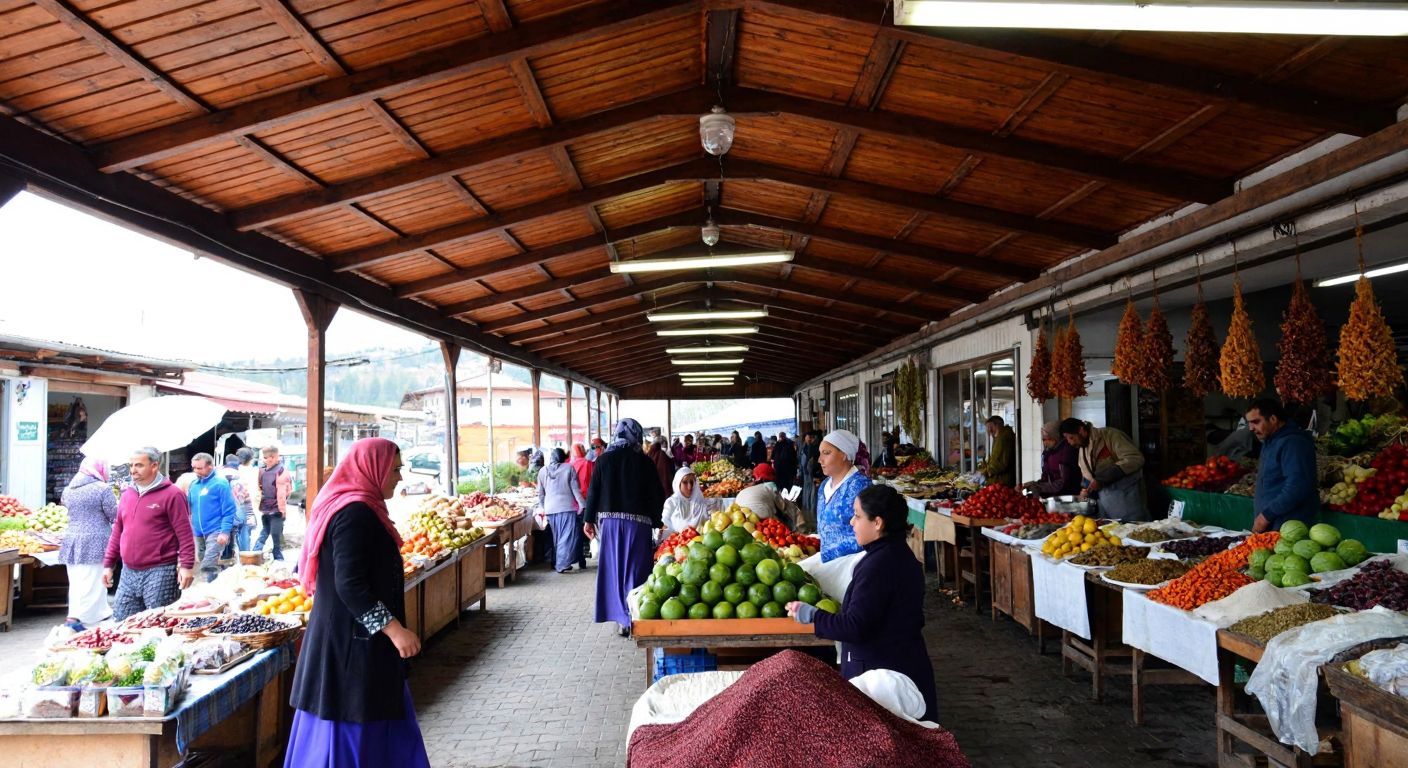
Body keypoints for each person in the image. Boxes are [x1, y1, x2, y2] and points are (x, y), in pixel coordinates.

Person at [286, 438, 430, 768]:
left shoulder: (363, 509)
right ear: (373, 468)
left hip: (359, 645)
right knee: (349, 737)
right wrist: (395, 631)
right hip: (349, 652)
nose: (399, 477)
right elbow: (350, 586)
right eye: (394, 470)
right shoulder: (354, 514)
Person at [786, 485, 938, 723]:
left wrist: (815, 616)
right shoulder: (895, 554)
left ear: (877, 523)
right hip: (899, 664)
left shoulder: (879, 565)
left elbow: (855, 626)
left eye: (857, 516)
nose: (851, 522)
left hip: (884, 678)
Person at [582, 418, 666, 637]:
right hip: (638, 526)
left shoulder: (603, 460)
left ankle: (621, 618)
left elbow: (593, 492)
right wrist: (657, 521)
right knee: (636, 570)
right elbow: (657, 494)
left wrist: (588, 520)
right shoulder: (645, 462)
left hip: (610, 525)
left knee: (615, 570)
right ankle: (634, 616)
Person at [103, 447, 196, 621]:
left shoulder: (173, 494)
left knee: (157, 624)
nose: (133, 470)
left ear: (154, 466)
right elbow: (118, 531)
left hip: (161, 570)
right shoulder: (127, 495)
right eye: (131, 465)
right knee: (123, 623)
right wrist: (108, 564)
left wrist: (186, 566)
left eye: (139, 465)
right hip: (128, 571)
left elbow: (185, 534)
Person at [59, 457, 117, 630]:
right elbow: (113, 514)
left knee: (77, 581)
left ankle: (75, 614)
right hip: (96, 540)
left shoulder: (68, 489)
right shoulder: (102, 488)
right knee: (94, 580)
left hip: (72, 539)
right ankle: (88, 619)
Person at [1246, 398, 1318, 534]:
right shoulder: (1270, 440)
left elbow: (1297, 487)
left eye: (1255, 422)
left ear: (1273, 419)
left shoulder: (1294, 443)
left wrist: (1266, 516)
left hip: (1288, 527)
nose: (1251, 428)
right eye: (1249, 423)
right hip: (1274, 525)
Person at [1059, 418, 1147, 521]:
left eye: (1071, 437)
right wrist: (1085, 490)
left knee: (1134, 530)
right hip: (1106, 505)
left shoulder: (1110, 435)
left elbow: (1135, 458)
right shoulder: (1082, 448)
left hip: (1128, 501)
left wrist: (1102, 478)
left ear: (1081, 430)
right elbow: (1087, 475)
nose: (1070, 443)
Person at [816, 429, 872, 561]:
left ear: (844, 454)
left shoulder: (861, 486)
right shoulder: (824, 486)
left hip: (852, 564)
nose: (820, 460)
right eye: (820, 454)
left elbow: (870, 533)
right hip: (827, 565)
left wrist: (828, 553)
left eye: (827, 453)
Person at [187, 452, 237, 583]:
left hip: (216, 530)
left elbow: (229, 510)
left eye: (199, 468)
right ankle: (222, 579)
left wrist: (225, 532)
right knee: (207, 561)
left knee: (208, 565)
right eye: (194, 468)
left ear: (210, 466)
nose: (196, 471)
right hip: (198, 532)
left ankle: (212, 591)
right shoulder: (193, 485)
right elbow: (188, 507)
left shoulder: (220, 483)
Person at [539, 448, 586, 573]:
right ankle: (561, 564)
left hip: (550, 509)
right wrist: (582, 504)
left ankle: (562, 562)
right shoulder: (569, 468)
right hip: (567, 508)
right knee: (566, 537)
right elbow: (575, 489)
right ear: (563, 457)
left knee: (557, 537)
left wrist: (543, 508)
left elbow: (541, 494)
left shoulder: (543, 471)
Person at [1024, 421, 1081, 498]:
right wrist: (1034, 485)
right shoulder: (1048, 452)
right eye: (1043, 440)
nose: (1044, 443)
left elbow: (1063, 483)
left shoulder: (1066, 452)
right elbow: (1045, 477)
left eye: (1046, 439)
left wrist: (1040, 487)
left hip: (1067, 497)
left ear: (1055, 438)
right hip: (1054, 496)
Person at [737, 463, 803, 528]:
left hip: (739, 518)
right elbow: (786, 507)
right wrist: (801, 524)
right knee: (781, 526)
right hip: (760, 519)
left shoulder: (745, 490)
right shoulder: (770, 486)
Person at [219, 454, 254, 561]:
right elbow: (246, 499)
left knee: (224, 536)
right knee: (243, 533)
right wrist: (250, 515)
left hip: (222, 515)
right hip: (239, 512)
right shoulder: (240, 479)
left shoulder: (216, 478)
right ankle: (246, 559)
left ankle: (225, 559)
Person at [662, 467, 710, 534]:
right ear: (678, 484)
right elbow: (664, 523)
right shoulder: (671, 502)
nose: (689, 487)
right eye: (685, 482)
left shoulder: (700, 501)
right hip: (678, 542)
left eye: (691, 482)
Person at [569, 443, 594, 568]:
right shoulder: (588, 463)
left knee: (576, 530)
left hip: (572, 502)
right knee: (586, 526)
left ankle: (578, 556)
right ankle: (584, 554)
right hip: (586, 500)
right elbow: (592, 481)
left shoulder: (570, 465)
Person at [981, 416, 1017, 487]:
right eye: (987, 428)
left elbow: (999, 463)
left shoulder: (1003, 437)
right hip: (1000, 481)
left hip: (1003, 482)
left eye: (990, 427)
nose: (989, 430)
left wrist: (987, 472)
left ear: (997, 425)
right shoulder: (999, 437)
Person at [799, 431, 820, 516]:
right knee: (807, 489)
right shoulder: (805, 446)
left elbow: (812, 460)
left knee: (813, 491)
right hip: (806, 472)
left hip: (812, 473)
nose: (809, 439)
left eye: (810, 437)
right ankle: (807, 507)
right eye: (808, 437)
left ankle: (812, 510)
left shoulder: (814, 447)